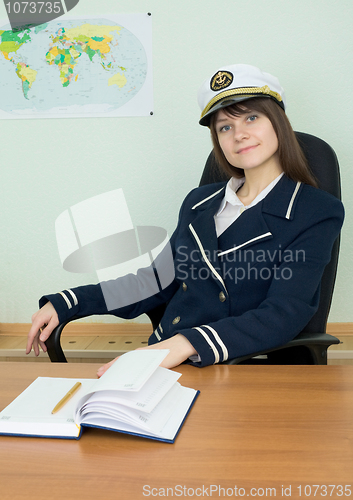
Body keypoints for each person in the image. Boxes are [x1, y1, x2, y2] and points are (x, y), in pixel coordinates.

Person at [27, 63, 344, 375]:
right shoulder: (199, 202)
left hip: (240, 365)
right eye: (224, 126)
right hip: (164, 359)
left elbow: (283, 314)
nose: (239, 134)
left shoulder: (315, 210)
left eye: (251, 117)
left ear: (279, 122)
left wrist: (181, 345)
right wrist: (68, 302)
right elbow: (153, 282)